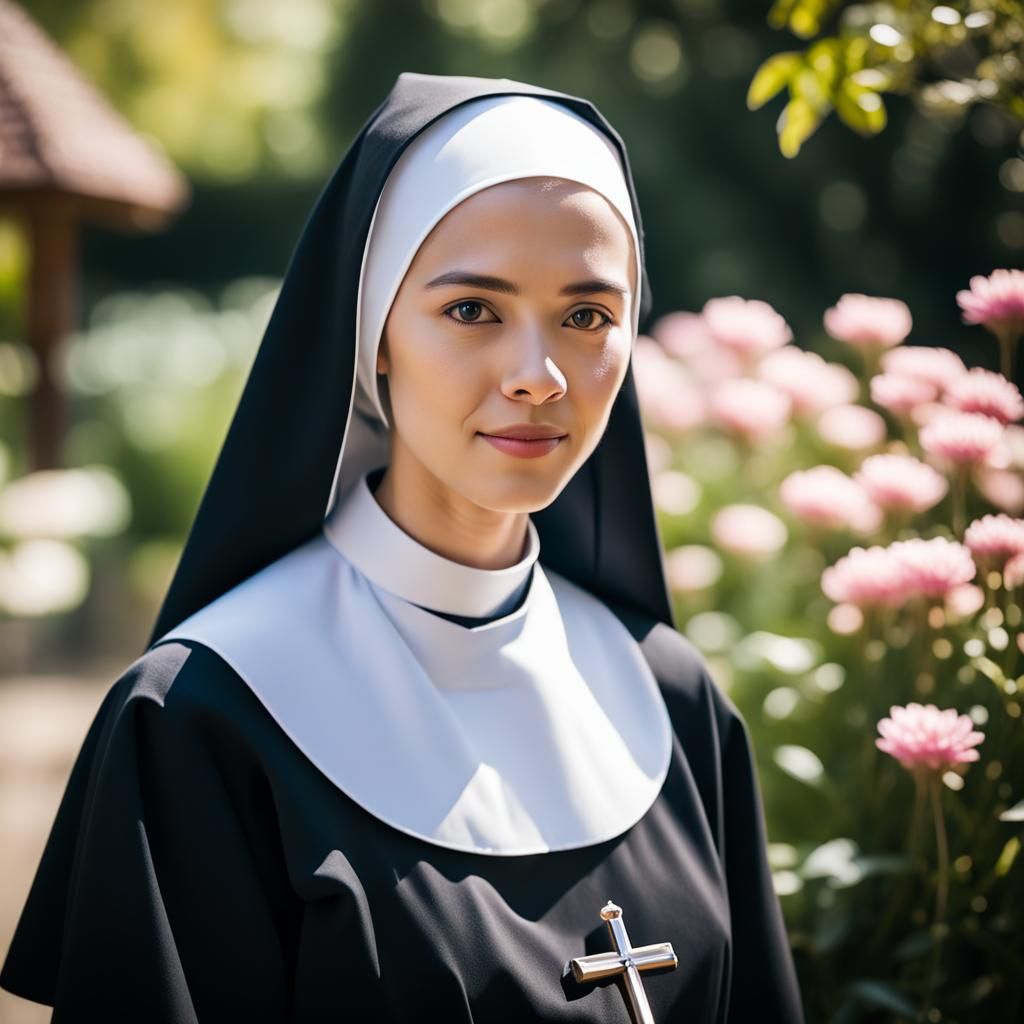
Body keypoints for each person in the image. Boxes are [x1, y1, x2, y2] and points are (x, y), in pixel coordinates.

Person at [0, 72, 804, 1022]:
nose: (539, 377)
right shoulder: (202, 717)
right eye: (473, 310)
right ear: (373, 330)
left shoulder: (671, 695)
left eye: (587, 316)